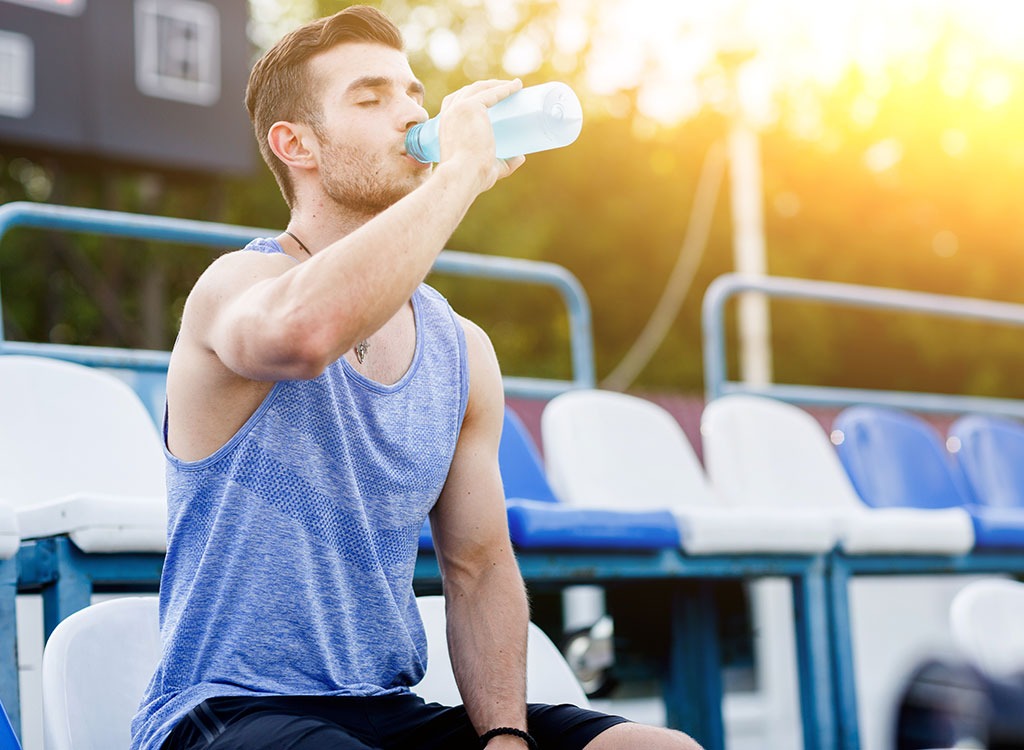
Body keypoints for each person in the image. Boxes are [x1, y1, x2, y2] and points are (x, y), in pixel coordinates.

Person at [131, 6, 702, 750]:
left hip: (387, 709)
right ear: (295, 144)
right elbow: (306, 334)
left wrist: (505, 737)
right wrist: (461, 174)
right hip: (228, 710)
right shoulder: (235, 285)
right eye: (370, 99)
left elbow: (478, 566)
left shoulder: (463, 350)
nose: (409, 114)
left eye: (411, 93)